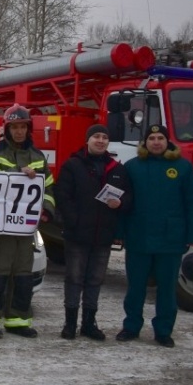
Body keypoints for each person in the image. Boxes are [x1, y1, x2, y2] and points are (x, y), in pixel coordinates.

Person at [117, 125, 193, 348]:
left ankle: (163, 331)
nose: (156, 142)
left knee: (167, 289)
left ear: (167, 141)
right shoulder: (132, 167)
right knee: (135, 287)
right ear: (145, 143)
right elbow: (123, 203)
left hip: (170, 239)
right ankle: (131, 326)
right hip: (139, 237)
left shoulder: (182, 167)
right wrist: (119, 233)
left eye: (160, 138)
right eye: (152, 138)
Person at [0, 104, 56, 339]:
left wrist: (46, 210)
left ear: (29, 128)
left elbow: (48, 187)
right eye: (14, 127)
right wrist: (19, 172)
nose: (19, 131)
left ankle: (18, 321)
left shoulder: (38, 156)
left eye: (23, 127)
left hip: (25, 229)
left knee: (23, 275)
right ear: (7, 129)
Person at [55, 124, 132, 341]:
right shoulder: (73, 165)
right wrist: (74, 221)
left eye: (104, 137)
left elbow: (129, 197)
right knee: (74, 278)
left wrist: (121, 203)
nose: (100, 140)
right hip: (78, 234)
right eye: (96, 136)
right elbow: (62, 195)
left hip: (103, 235)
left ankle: (89, 323)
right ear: (87, 140)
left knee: (95, 280)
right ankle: (70, 323)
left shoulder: (116, 169)